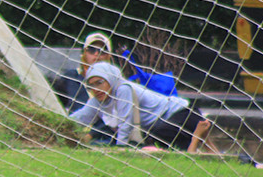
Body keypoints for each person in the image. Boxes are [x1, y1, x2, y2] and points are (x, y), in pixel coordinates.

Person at [70, 62, 210, 152]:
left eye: (100, 82)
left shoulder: (123, 88)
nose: (96, 88)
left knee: (154, 139)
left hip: (184, 114)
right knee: (151, 142)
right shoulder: (98, 101)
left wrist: (120, 150)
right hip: (161, 128)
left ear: (111, 79)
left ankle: (195, 142)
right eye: (91, 85)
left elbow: (126, 123)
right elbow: (79, 118)